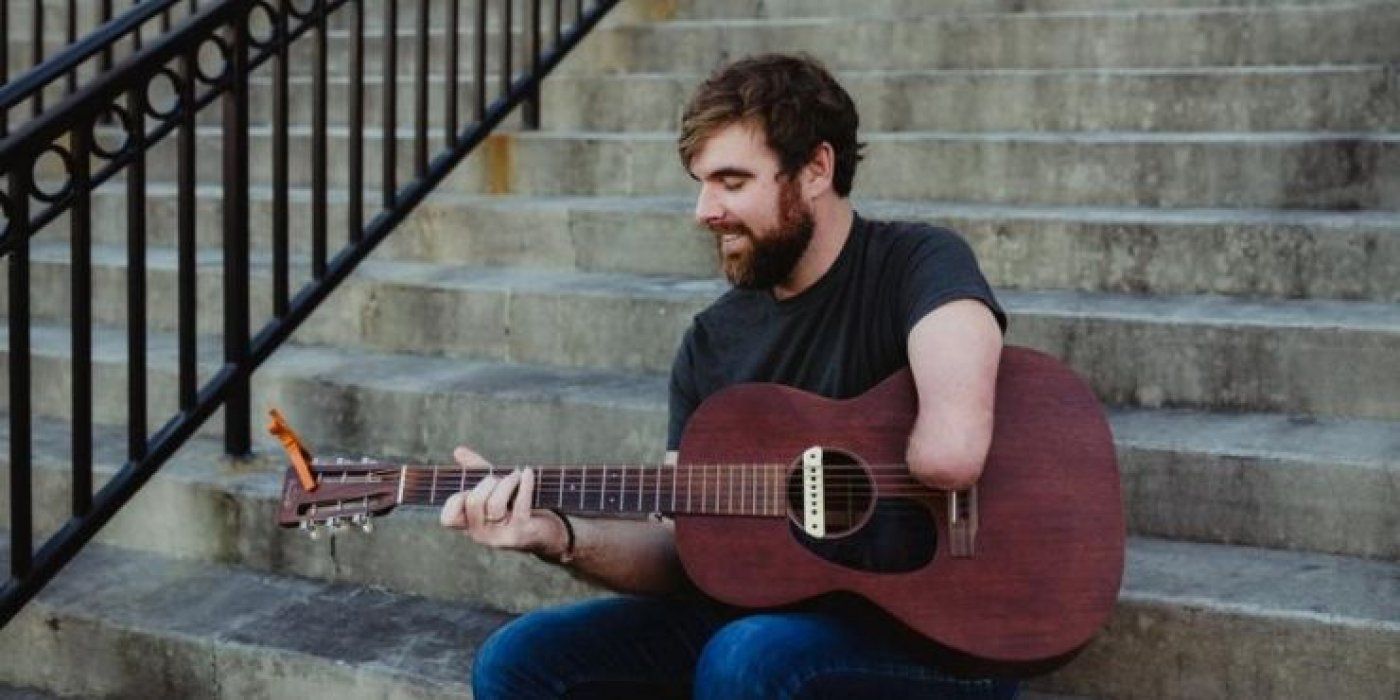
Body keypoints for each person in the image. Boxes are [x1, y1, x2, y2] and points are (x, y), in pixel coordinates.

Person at [440, 53, 1016, 699]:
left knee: (746, 659)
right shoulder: (713, 341)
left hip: (936, 630)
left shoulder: (916, 263)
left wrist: (863, 476)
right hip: (758, 618)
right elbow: (678, 546)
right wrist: (558, 534)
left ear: (817, 168)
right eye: (701, 183)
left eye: (731, 182)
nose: (704, 210)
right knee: (518, 661)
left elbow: (954, 453)